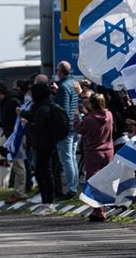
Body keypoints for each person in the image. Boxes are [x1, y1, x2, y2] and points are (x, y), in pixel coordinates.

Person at [24, 77, 70, 206]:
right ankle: (46, 200)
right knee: (43, 172)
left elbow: (37, 127)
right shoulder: (43, 106)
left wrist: (27, 124)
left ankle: (48, 201)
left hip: (44, 144)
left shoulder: (42, 108)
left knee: (44, 173)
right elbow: (35, 117)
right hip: (47, 143)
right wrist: (23, 114)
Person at [77, 93, 115, 221]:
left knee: (94, 182)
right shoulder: (109, 115)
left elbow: (80, 129)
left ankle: (98, 210)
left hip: (93, 152)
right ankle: (103, 207)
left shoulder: (89, 119)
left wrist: (77, 117)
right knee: (105, 181)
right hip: (108, 150)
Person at [54, 62, 83, 197]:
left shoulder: (63, 87)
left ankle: (71, 189)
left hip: (67, 127)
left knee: (67, 159)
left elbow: (63, 110)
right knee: (72, 158)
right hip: (76, 124)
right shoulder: (74, 84)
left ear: (60, 72)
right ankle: (74, 186)